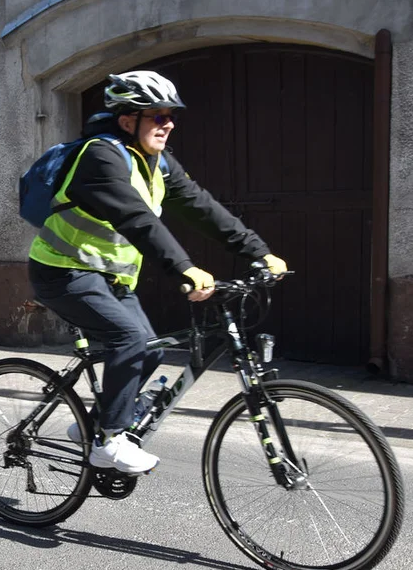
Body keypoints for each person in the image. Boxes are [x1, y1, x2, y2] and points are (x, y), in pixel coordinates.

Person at [28, 70, 288, 475]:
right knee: (128, 339)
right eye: (157, 116)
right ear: (127, 120)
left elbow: (202, 207)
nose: (168, 124)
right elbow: (137, 220)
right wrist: (184, 268)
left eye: (171, 116)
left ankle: (95, 424)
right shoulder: (100, 157)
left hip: (110, 278)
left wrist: (258, 252)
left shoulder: (157, 163)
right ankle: (109, 441)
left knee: (149, 349)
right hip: (64, 271)